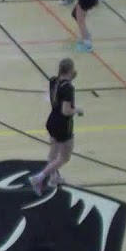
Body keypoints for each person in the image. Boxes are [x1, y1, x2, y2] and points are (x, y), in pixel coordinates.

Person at [29, 58, 82, 195]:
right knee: (64, 157)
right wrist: (77, 110)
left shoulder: (53, 81)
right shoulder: (69, 88)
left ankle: (54, 178)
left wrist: (70, 77)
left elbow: (60, 89)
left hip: (52, 120)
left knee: (54, 151)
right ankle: (39, 178)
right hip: (63, 125)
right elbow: (66, 111)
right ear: (70, 70)